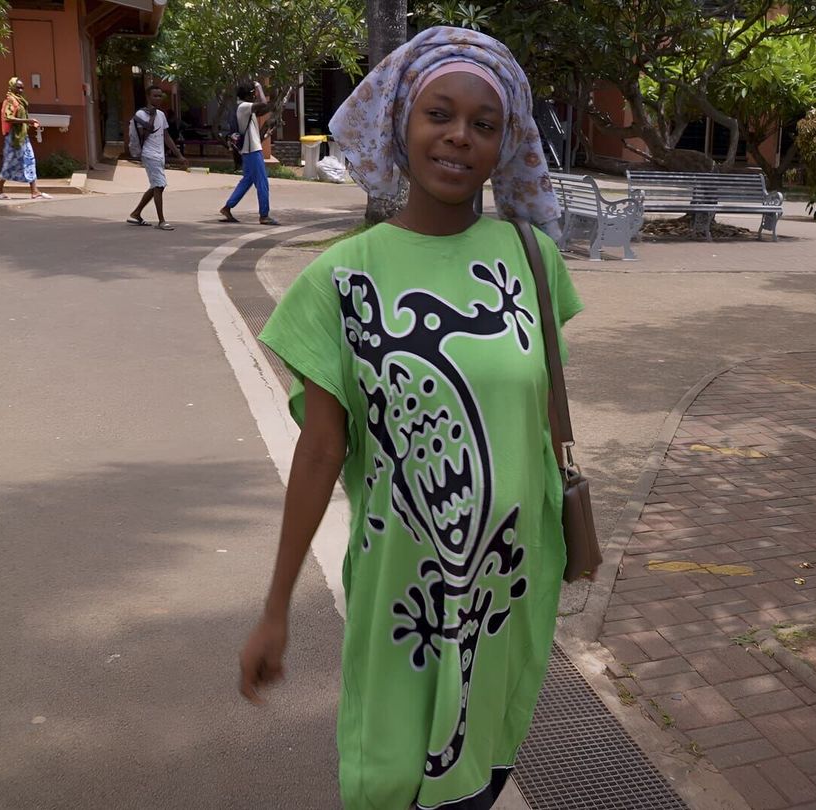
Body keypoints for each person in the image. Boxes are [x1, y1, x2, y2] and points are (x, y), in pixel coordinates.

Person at [238, 27, 574, 810]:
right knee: (390, 780)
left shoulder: (532, 260)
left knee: (477, 774)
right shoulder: (340, 281)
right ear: (401, 123)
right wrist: (276, 608)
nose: (459, 136)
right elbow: (321, 453)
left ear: (504, 144)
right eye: (440, 114)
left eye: (483, 124)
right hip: (403, 598)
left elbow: (542, 413)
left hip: (507, 589)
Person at [126, 85, 188, 230]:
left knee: (155, 185)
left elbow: (166, 136)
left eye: (160, 96)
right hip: (148, 154)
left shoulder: (161, 114)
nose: (158, 98)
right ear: (148, 97)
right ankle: (161, 221)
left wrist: (179, 155)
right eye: (155, 96)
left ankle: (136, 213)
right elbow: (141, 136)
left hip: (160, 155)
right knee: (159, 185)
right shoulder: (141, 115)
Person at [219, 81, 280, 225]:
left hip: (248, 150)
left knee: (247, 181)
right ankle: (264, 215)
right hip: (252, 150)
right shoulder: (244, 107)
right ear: (248, 94)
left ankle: (227, 207)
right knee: (262, 182)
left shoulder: (243, 107)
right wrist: (258, 86)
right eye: (253, 94)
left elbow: (265, 108)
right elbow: (264, 104)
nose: (255, 96)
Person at [0, 77, 52, 200]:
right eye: (18, 87)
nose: (20, 90)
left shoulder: (20, 101)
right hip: (13, 137)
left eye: (22, 88)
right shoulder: (10, 100)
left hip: (22, 135)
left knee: (29, 160)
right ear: (12, 87)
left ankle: (34, 191)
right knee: (10, 162)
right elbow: (8, 118)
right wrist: (28, 120)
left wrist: (29, 123)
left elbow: (21, 117)